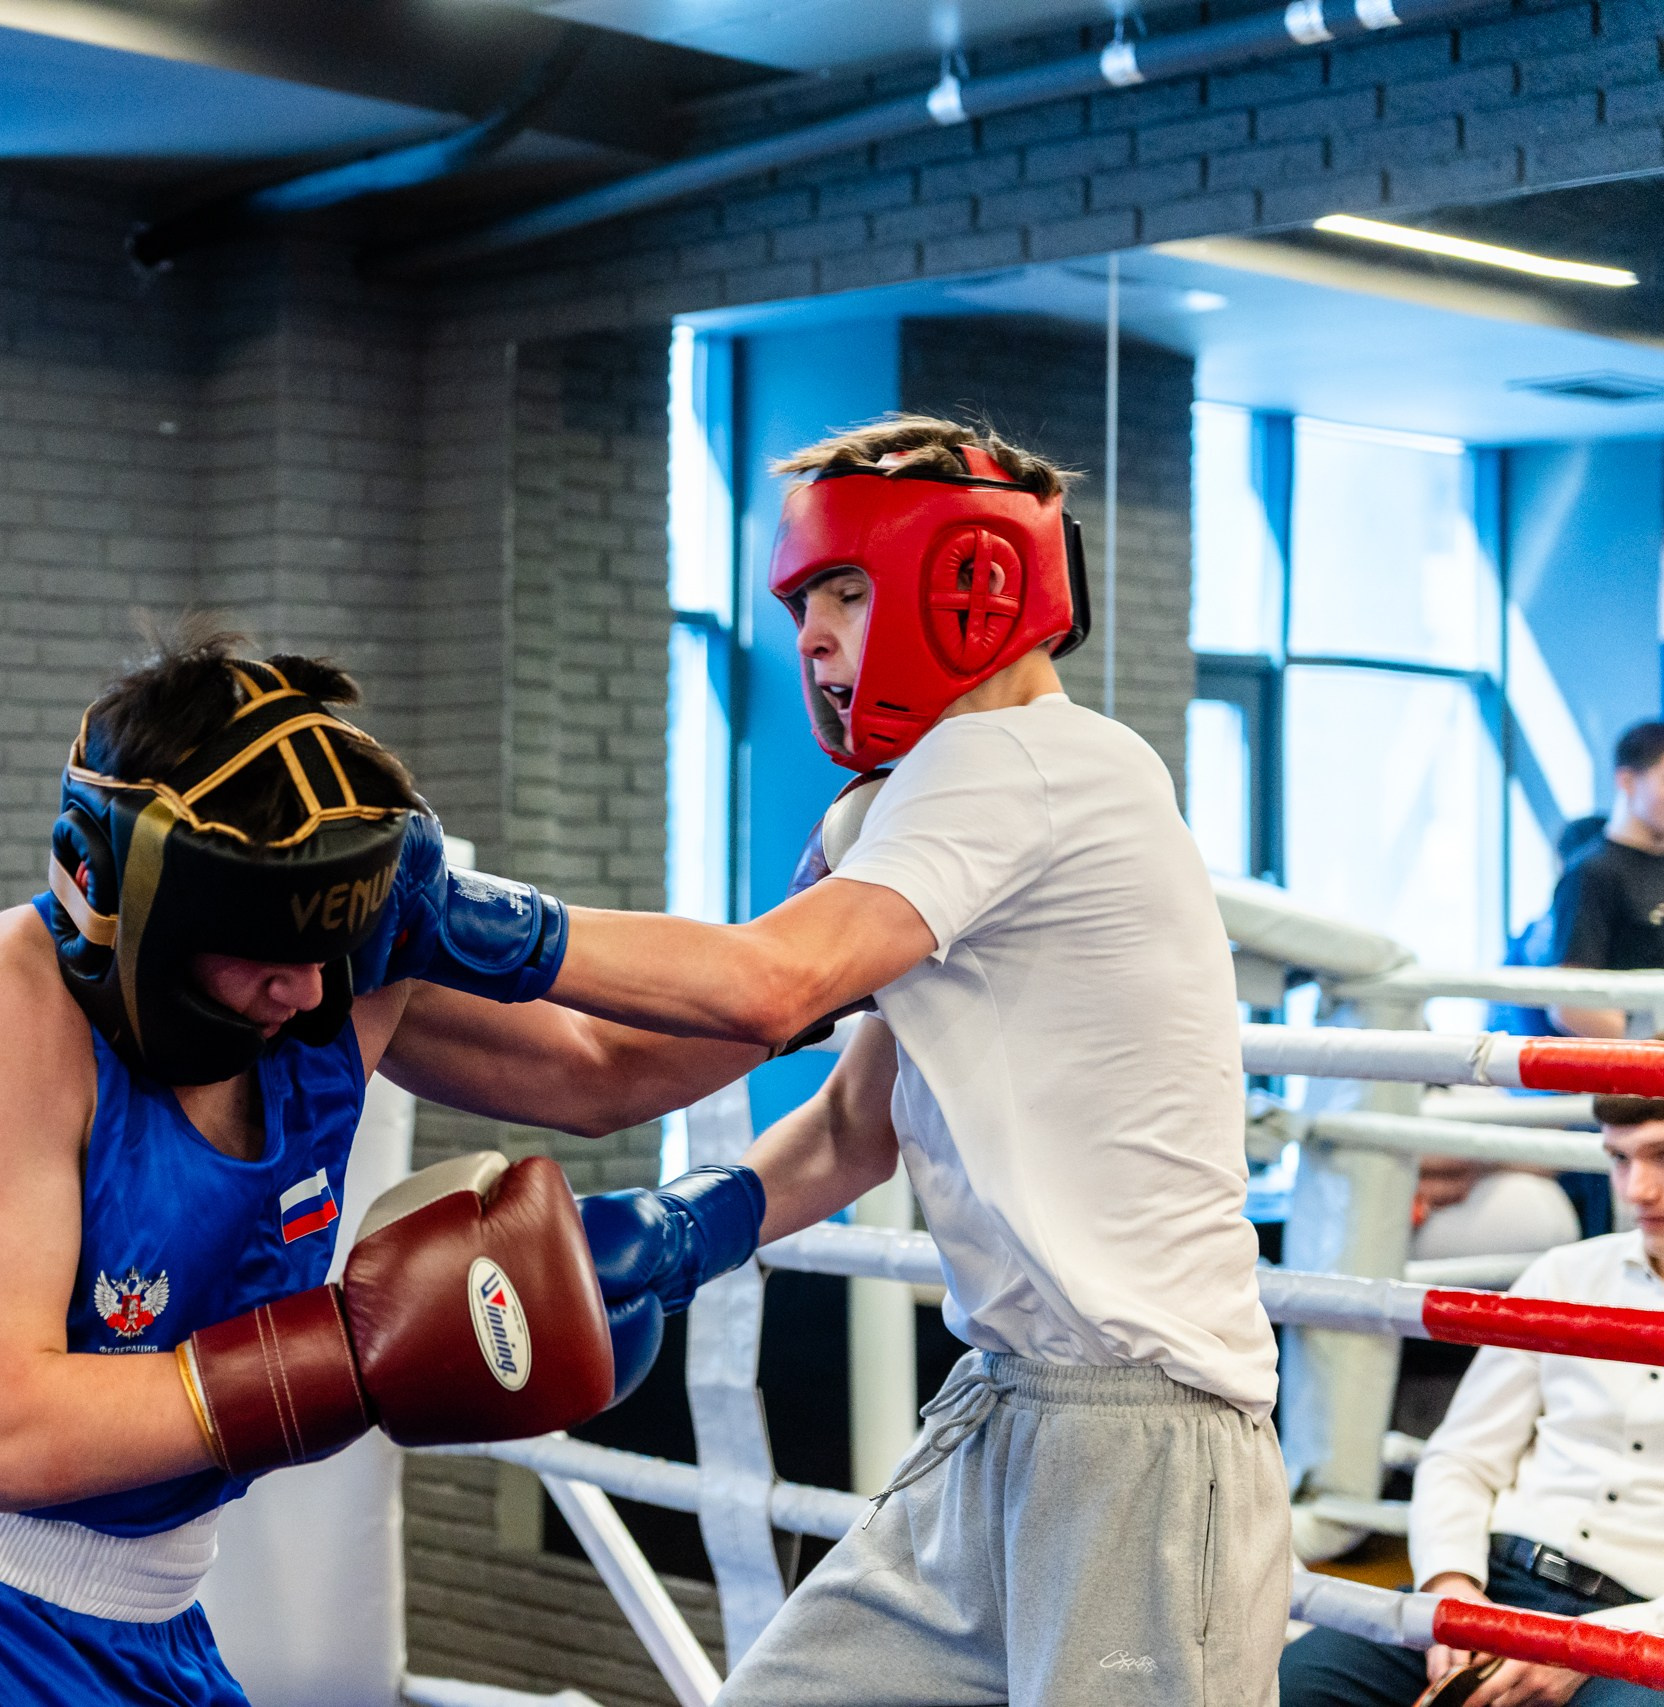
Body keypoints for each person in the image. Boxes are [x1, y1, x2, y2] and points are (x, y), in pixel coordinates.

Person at [375, 416, 1291, 1703]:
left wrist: (466, 918)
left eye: (844, 590)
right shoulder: (918, 799)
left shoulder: (1020, 761)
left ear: (968, 577)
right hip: (1002, 1417)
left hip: (1143, 1432)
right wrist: (685, 1227)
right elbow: (836, 1113)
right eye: (802, 599)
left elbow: (766, 984)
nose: (809, 635)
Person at [0, 634, 673, 1706]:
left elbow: (607, 1070)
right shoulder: (2, 1012)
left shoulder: (331, 985)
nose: (303, 989)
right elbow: (8, 1435)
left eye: (323, 942)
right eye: (261, 942)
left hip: (156, 1622)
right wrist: (351, 1358)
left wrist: (861, 947)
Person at [1279, 1095, 1664, 1707]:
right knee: (1288, 1687)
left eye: (1660, 1157)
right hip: (1499, 1583)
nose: (1637, 1189)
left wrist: (1597, 1645)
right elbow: (1460, 1456)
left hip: (1642, 1626)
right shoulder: (1564, 1276)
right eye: (1618, 1159)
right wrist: (1451, 1586)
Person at [1550, 722, 1664, 1041]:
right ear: (1627, 781)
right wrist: (1644, 1051)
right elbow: (1569, 1004)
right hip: (1635, 1078)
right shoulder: (1593, 872)